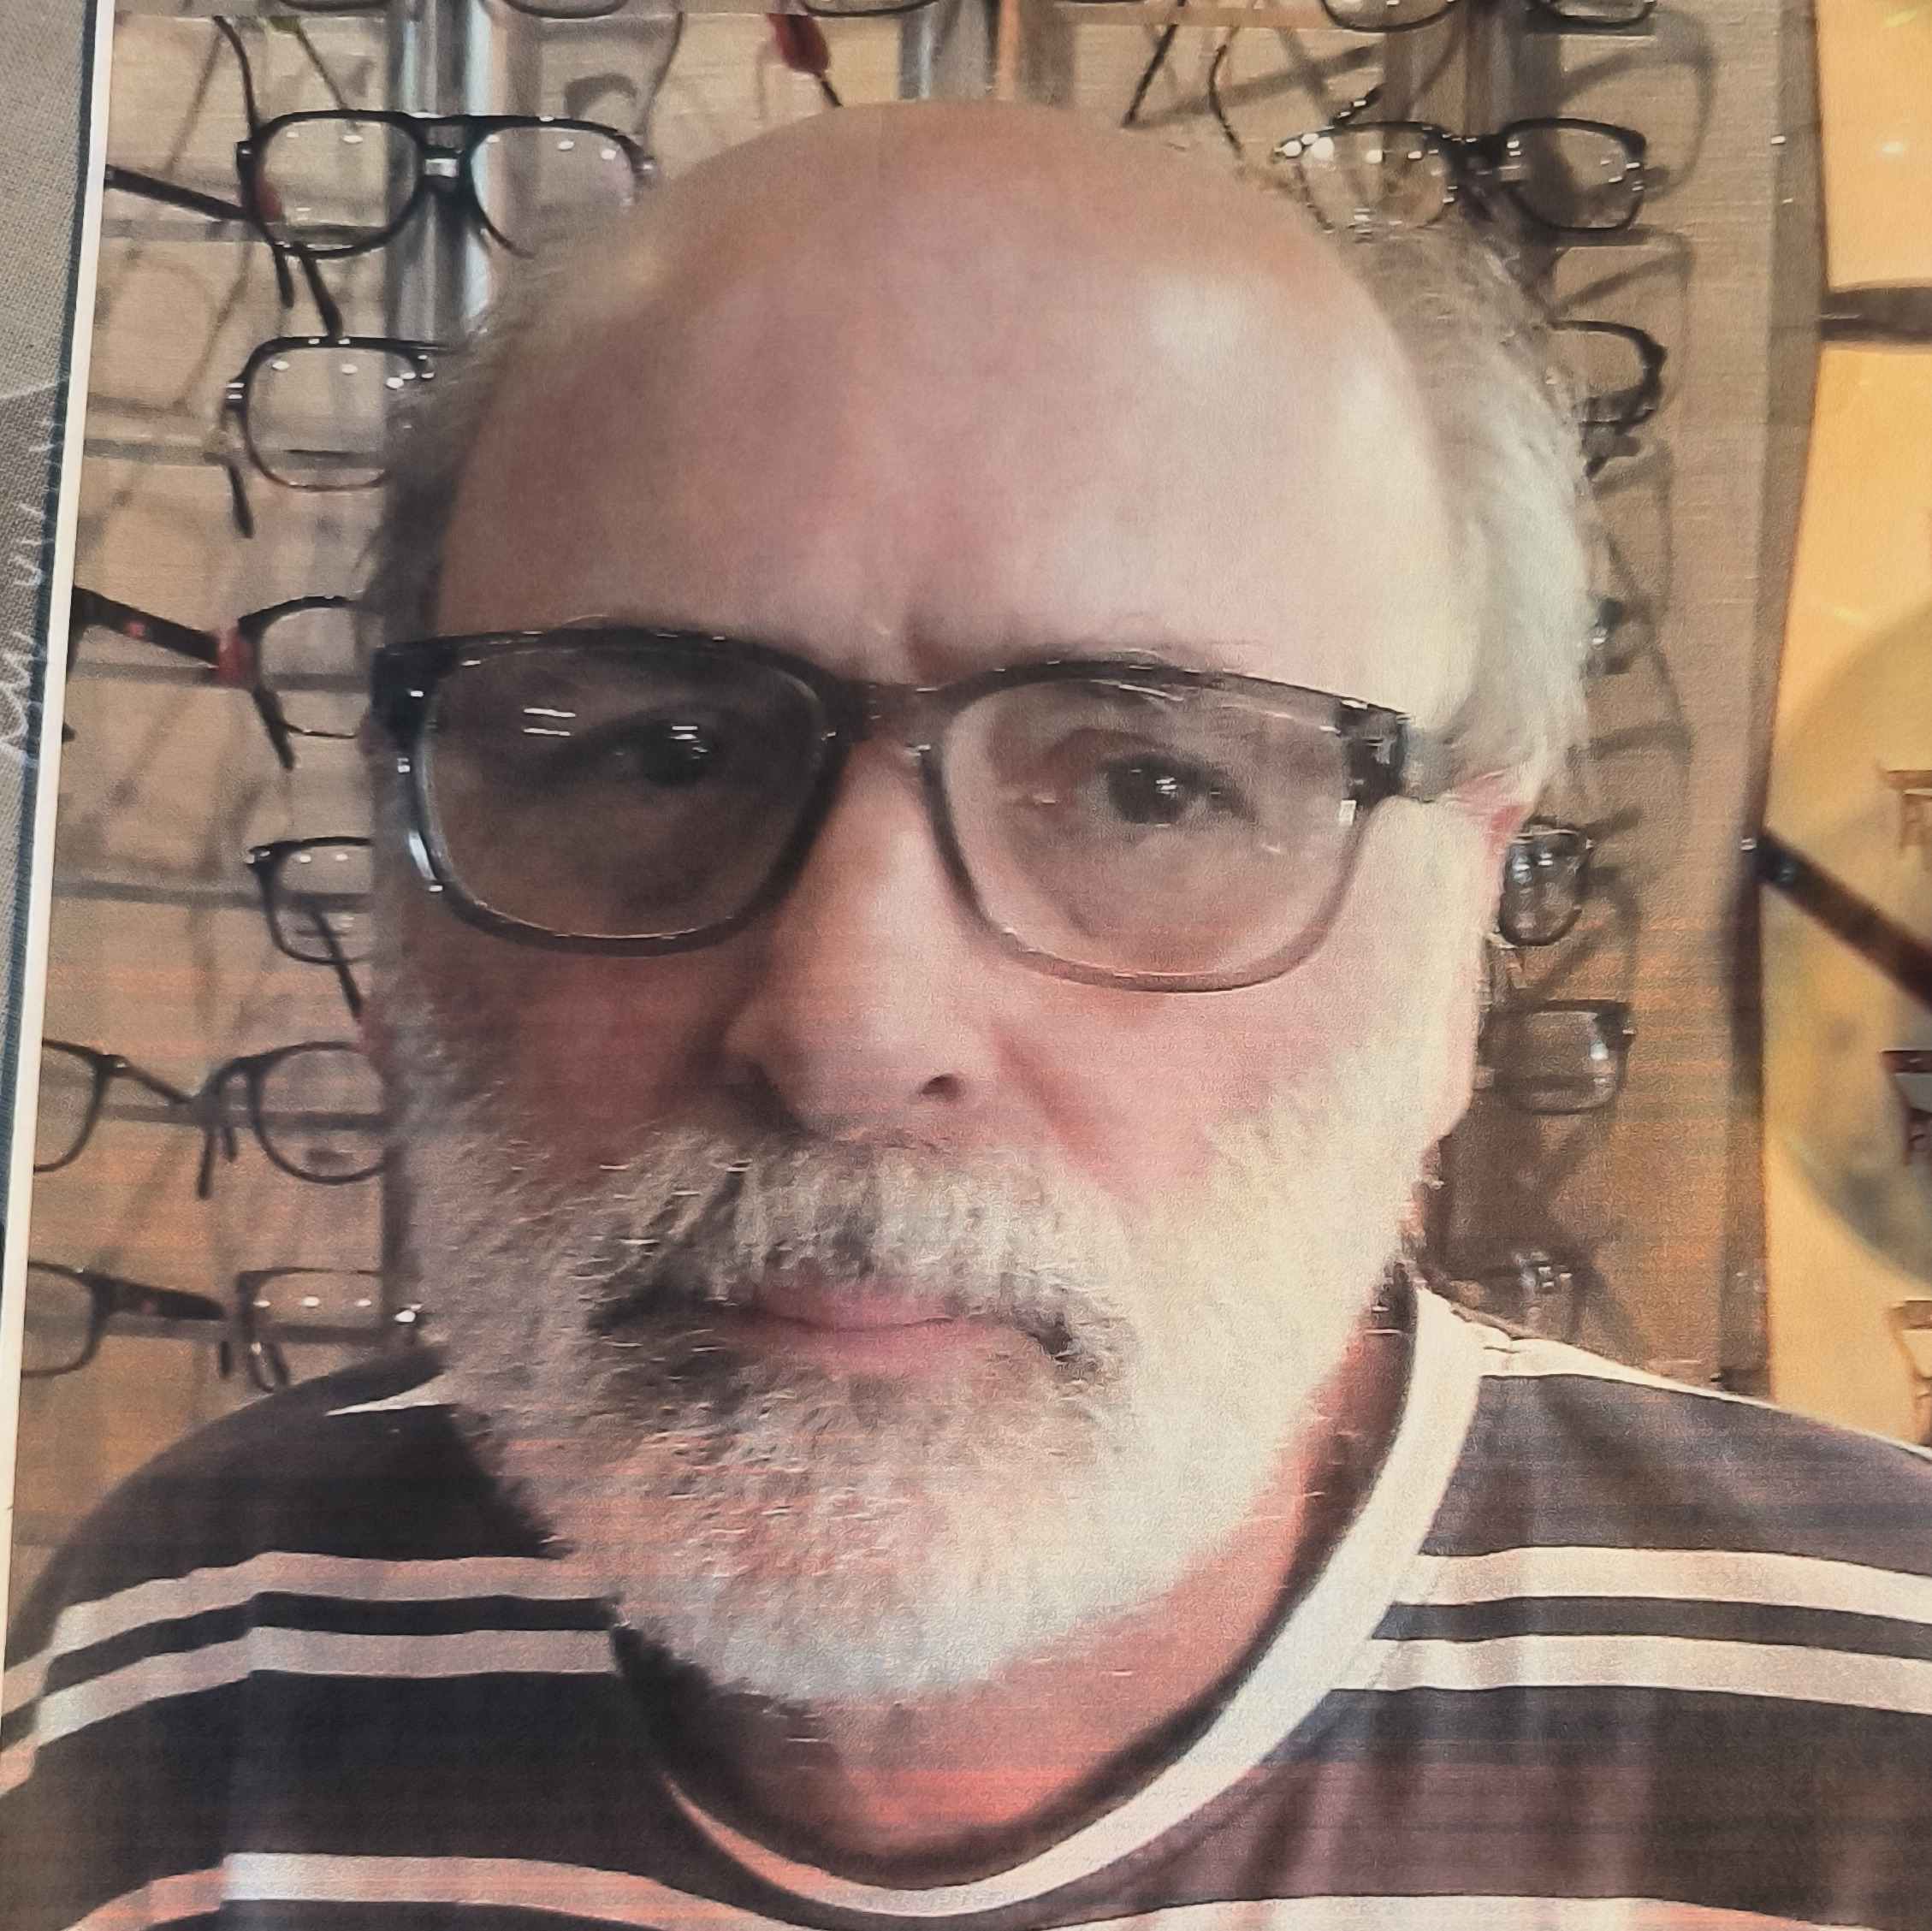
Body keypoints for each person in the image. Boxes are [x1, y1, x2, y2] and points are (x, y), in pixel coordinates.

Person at [5, 100, 1932, 1931]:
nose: (845, 1029)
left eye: (1147, 789)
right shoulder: (187, 1673)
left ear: (1451, 952)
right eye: (661, 754)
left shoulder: (1881, 1757)